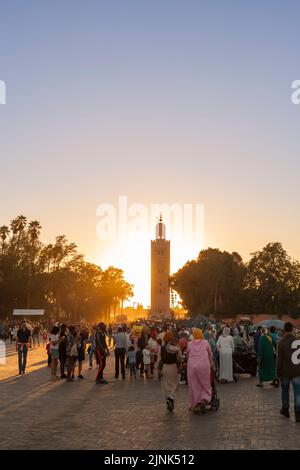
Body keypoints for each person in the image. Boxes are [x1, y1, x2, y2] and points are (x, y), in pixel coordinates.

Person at [277, 322, 300, 421]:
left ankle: (285, 409)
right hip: (297, 371)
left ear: (284, 330)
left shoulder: (281, 342)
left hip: (285, 371)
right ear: (292, 329)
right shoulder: (298, 341)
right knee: (298, 393)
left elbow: (279, 360)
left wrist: (278, 372)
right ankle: (298, 413)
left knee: (285, 391)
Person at [187, 328, 212, 413]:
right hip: (204, 366)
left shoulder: (190, 344)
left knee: (194, 384)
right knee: (205, 383)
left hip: (192, 366)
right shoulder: (205, 343)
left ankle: (195, 402)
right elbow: (210, 353)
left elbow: (187, 354)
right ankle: (204, 399)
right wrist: (210, 362)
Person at [159, 331, 182, 412]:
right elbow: (179, 355)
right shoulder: (173, 347)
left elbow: (160, 359)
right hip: (173, 367)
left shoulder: (162, 347)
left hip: (164, 367)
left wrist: (159, 370)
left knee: (166, 385)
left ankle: (168, 400)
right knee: (173, 384)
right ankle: (171, 399)